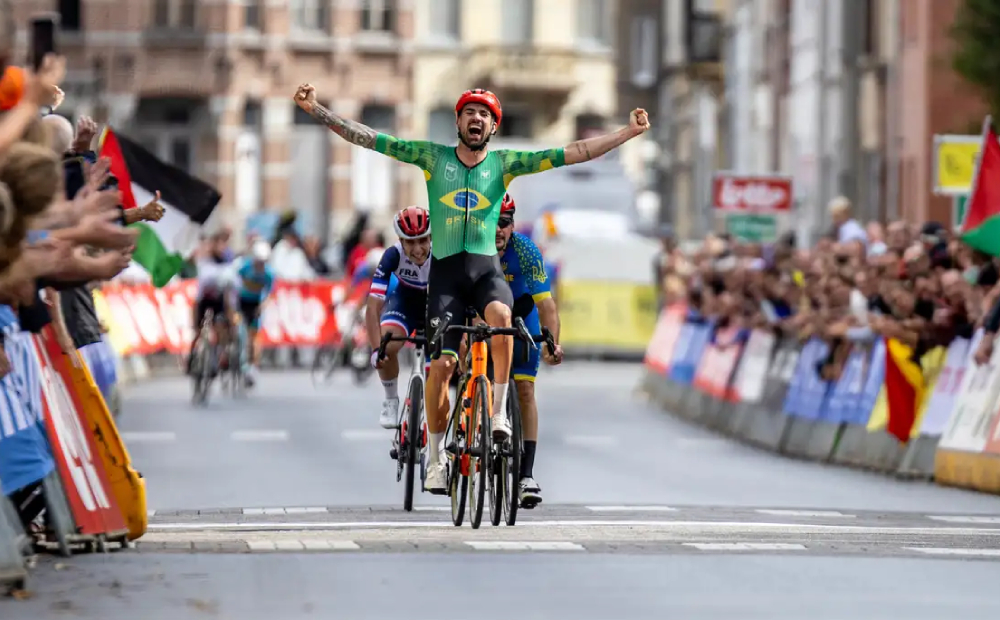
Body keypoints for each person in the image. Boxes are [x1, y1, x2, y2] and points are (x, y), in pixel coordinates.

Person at [294, 83, 650, 493]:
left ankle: (497, 414)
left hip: (485, 273)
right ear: (458, 121)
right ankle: (434, 460)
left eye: (485, 115)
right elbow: (371, 139)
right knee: (442, 367)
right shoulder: (433, 157)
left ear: (493, 126)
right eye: (469, 113)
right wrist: (317, 110)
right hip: (446, 278)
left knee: (501, 317)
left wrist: (628, 133)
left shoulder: (505, 163)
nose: (476, 119)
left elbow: (575, 152)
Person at [494, 194, 564, 507]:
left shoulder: (524, 249)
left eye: (505, 223)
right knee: (476, 371)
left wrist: (552, 344)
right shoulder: (474, 247)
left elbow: (546, 305)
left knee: (525, 390)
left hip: (523, 315)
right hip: (485, 315)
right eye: (493, 222)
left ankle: (526, 475)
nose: (498, 229)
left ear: (513, 225)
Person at [365, 206, 432, 429]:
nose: (418, 249)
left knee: (444, 363)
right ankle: (390, 399)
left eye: (423, 240)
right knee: (386, 344)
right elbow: (373, 307)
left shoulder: (442, 253)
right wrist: (376, 349)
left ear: (431, 237)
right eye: (410, 242)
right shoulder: (392, 255)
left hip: (435, 304)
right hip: (405, 301)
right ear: (400, 241)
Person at [188, 231, 238, 375]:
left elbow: (231, 289)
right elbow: (198, 293)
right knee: (198, 330)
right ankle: (192, 356)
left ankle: (219, 355)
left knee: (220, 326)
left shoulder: (228, 263)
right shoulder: (205, 261)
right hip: (204, 299)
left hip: (219, 300)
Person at [232, 239, 275, 386]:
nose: (260, 266)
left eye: (263, 263)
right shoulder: (245, 267)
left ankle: (253, 367)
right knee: (238, 330)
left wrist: (262, 307)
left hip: (255, 305)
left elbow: (269, 295)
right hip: (241, 302)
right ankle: (231, 353)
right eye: (258, 262)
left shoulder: (269, 274)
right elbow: (234, 282)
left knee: (254, 338)